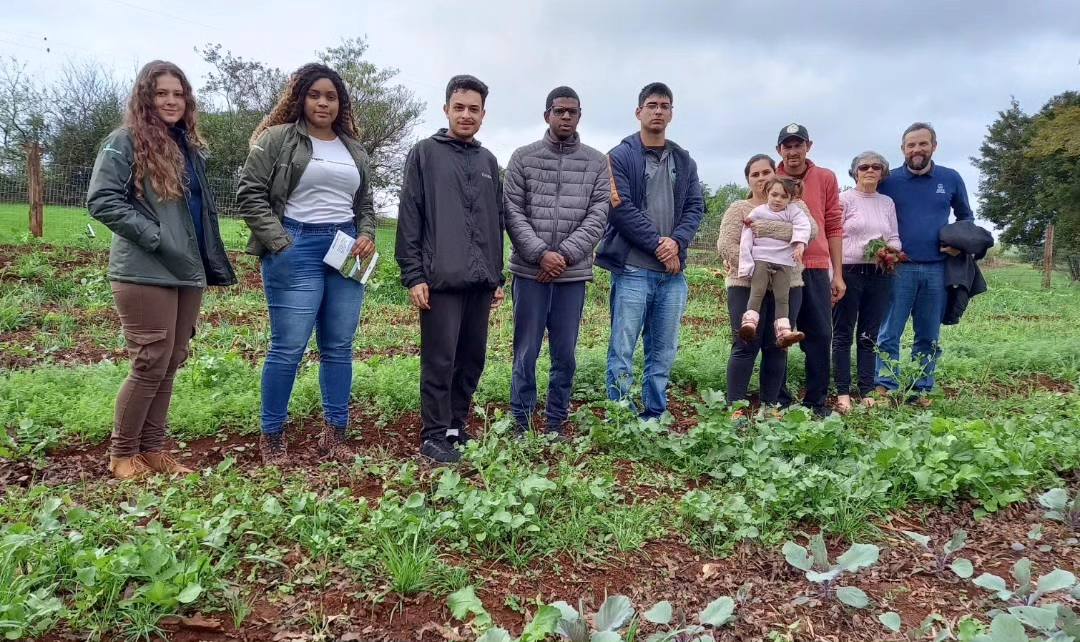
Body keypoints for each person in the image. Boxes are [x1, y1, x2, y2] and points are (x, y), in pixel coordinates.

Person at [87, 60, 236, 479]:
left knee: (172, 358)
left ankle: (152, 451)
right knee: (149, 360)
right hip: (144, 270)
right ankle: (121, 456)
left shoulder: (189, 148)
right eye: (161, 93)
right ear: (145, 97)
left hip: (186, 271)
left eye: (178, 93)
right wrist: (155, 236)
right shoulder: (124, 141)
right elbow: (102, 200)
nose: (171, 101)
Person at [236, 63, 377, 466]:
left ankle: (334, 435)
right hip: (294, 246)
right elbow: (249, 193)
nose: (322, 102)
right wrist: (280, 242)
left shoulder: (354, 149)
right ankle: (273, 436)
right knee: (288, 347)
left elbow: (364, 203)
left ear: (340, 103)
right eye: (315, 95)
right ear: (300, 98)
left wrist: (366, 233)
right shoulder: (277, 139)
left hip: (345, 248)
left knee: (339, 348)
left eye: (331, 96)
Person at [395, 75, 506, 463]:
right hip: (440, 280)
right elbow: (410, 215)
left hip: (480, 281)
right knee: (439, 359)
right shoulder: (425, 153)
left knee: (472, 357)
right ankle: (434, 435)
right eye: (458, 107)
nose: (466, 115)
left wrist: (497, 276)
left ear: (483, 115)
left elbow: (497, 222)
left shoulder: (489, 161)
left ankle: (457, 425)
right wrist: (414, 274)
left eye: (473, 109)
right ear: (446, 110)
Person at [503, 86, 610, 437]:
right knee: (526, 350)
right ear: (547, 114)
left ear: (580, 115)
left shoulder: (596, 162)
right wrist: (539, 254)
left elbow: (598, 215)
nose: (566, 117)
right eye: (559, 111)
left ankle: (555, 420)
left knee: (564, 353)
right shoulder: (523, 158)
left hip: (571, 275)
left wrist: (562, 256)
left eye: (572, 112)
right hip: (530, 273)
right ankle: (521, 420)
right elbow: (513, 211)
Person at [597, 82, 705, 420]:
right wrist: (660, 245)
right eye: (652, 105)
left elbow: (695, 206)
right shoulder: (620, 156)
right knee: (623, 347)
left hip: (672, 274)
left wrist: (677, 241)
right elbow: (620, 208)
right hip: (632, 268)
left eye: (665, 106)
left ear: (671, 113)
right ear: (639, 111)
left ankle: (655, 413)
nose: (658, 111)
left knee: (663, 350)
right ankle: (620, 414)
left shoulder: (683, 160)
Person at [875, 122, 973, 404]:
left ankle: (921, 389)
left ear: (934, 146)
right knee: (889, 331)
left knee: (928, 334)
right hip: (898, 269)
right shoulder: (889, 180)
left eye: (922, 144)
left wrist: (958, 244)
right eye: (911, 145)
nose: (917, 149)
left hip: (936, 269)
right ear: (903, 149)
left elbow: (966, 217)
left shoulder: (950, 178)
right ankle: (886, 385)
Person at [716, 155, 818, 407]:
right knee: (745, 344)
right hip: (746, 284)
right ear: (749, 180)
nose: (761, 178)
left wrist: (764, 230)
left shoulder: (796, 206)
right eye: (755, 174)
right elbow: (726, 243)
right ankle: (736, 406)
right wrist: (755, 265)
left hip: (788, 283)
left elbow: (811, 232)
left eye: (766, 172)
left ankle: (771, 406)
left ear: (776, 175)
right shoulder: (739, 209)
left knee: (778, 346)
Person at [775, 123, 844, 416]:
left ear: (808, 146)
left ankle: (816, 401)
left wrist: (837, 273)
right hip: (780, 266)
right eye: (787, 146)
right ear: (780, 150)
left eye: (798, 145)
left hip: (815, 266)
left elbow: (833, 224)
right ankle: (777, 398)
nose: (793, 151)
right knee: (778, 332)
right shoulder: (772, 178)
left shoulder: (826, 178)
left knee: (819, 335)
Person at [831, 151, 900, 413]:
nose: (869, 171)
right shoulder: (844, 200)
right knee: (843, 333)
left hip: (879, 272)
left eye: (875, 167)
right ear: (854, 172)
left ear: (882, 172)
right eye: (863, 167)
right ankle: (843, 391)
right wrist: (834, 274)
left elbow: (893, 235)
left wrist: (892, 251)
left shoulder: (887, 202)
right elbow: (834, 234)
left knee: (869, 334)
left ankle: (867, 389)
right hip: (849, 270)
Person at [737, 177, 811, 347]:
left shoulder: (793, 212)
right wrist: (746, 263)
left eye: (783, 196)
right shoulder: (758, 212)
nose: (778, 199)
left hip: (785, 261)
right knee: (757, 291)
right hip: (761, 258)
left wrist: (800, 245)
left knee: (782, 297)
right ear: (767, 193)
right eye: (774, 194)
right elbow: (746, 236)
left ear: (791, 198)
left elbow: (803, 226)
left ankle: (784, 332)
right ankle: (749, 323)